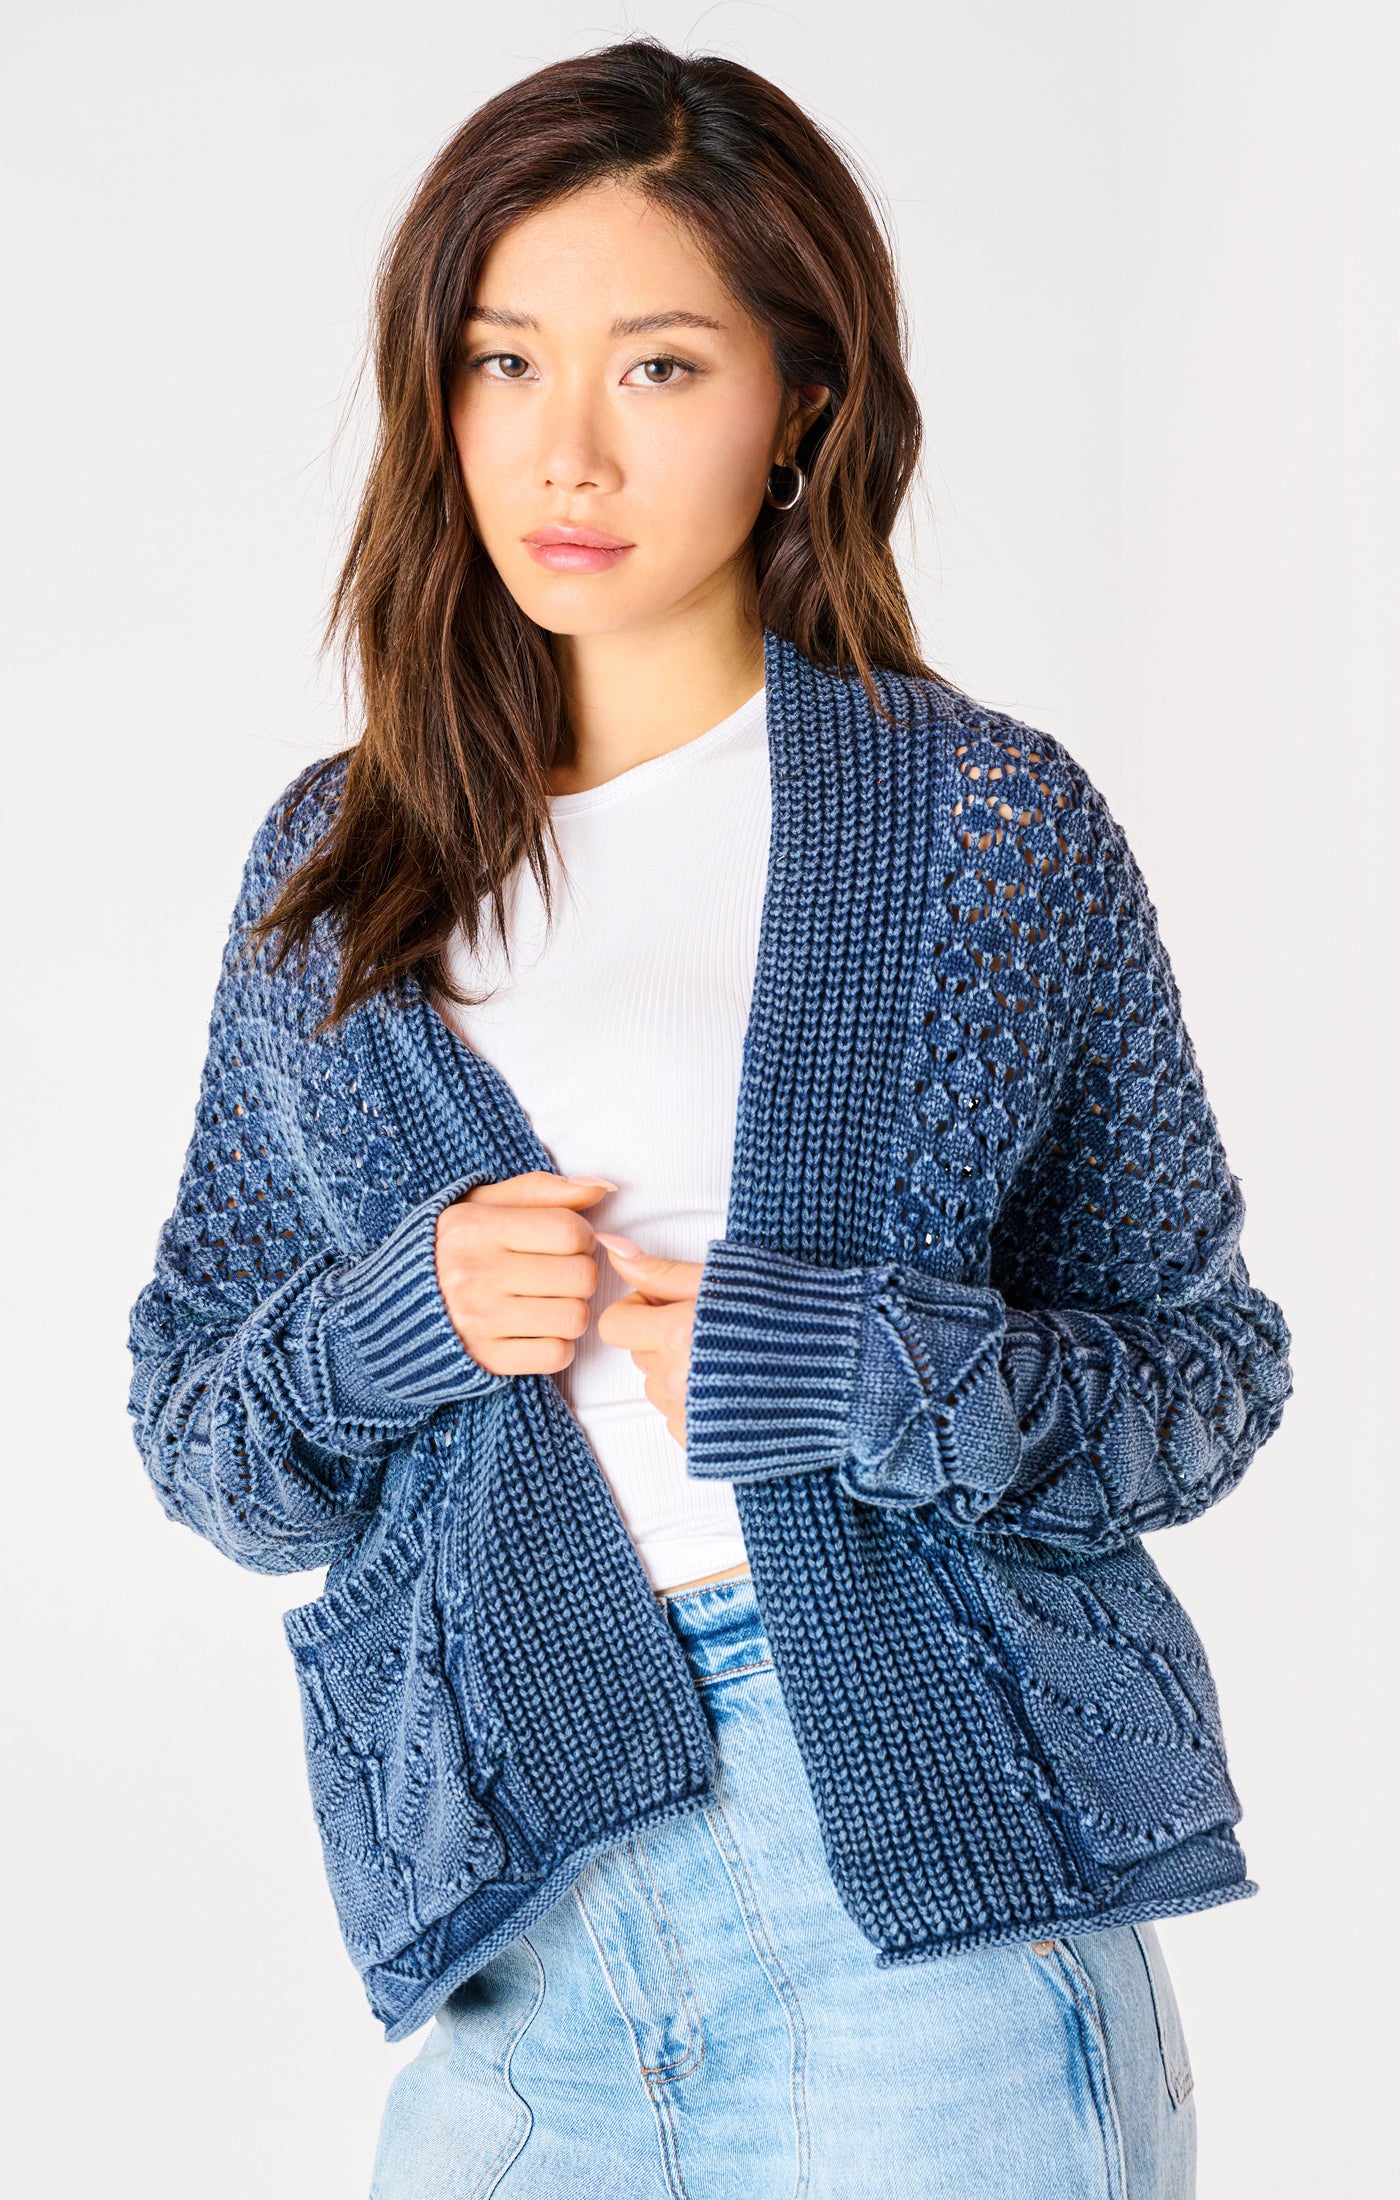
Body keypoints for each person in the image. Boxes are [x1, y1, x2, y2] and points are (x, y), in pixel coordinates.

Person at [125, 35, 1293, 2199]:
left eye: (659, 368)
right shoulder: (339, 869)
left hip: (914, 1904)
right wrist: (392, 1324)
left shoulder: (984, 829)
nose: (562, 448)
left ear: (802, 406)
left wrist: (857, 1366)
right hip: (520, 1923)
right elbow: (201, 1430)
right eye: (502, 362)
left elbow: (1203, 1379)